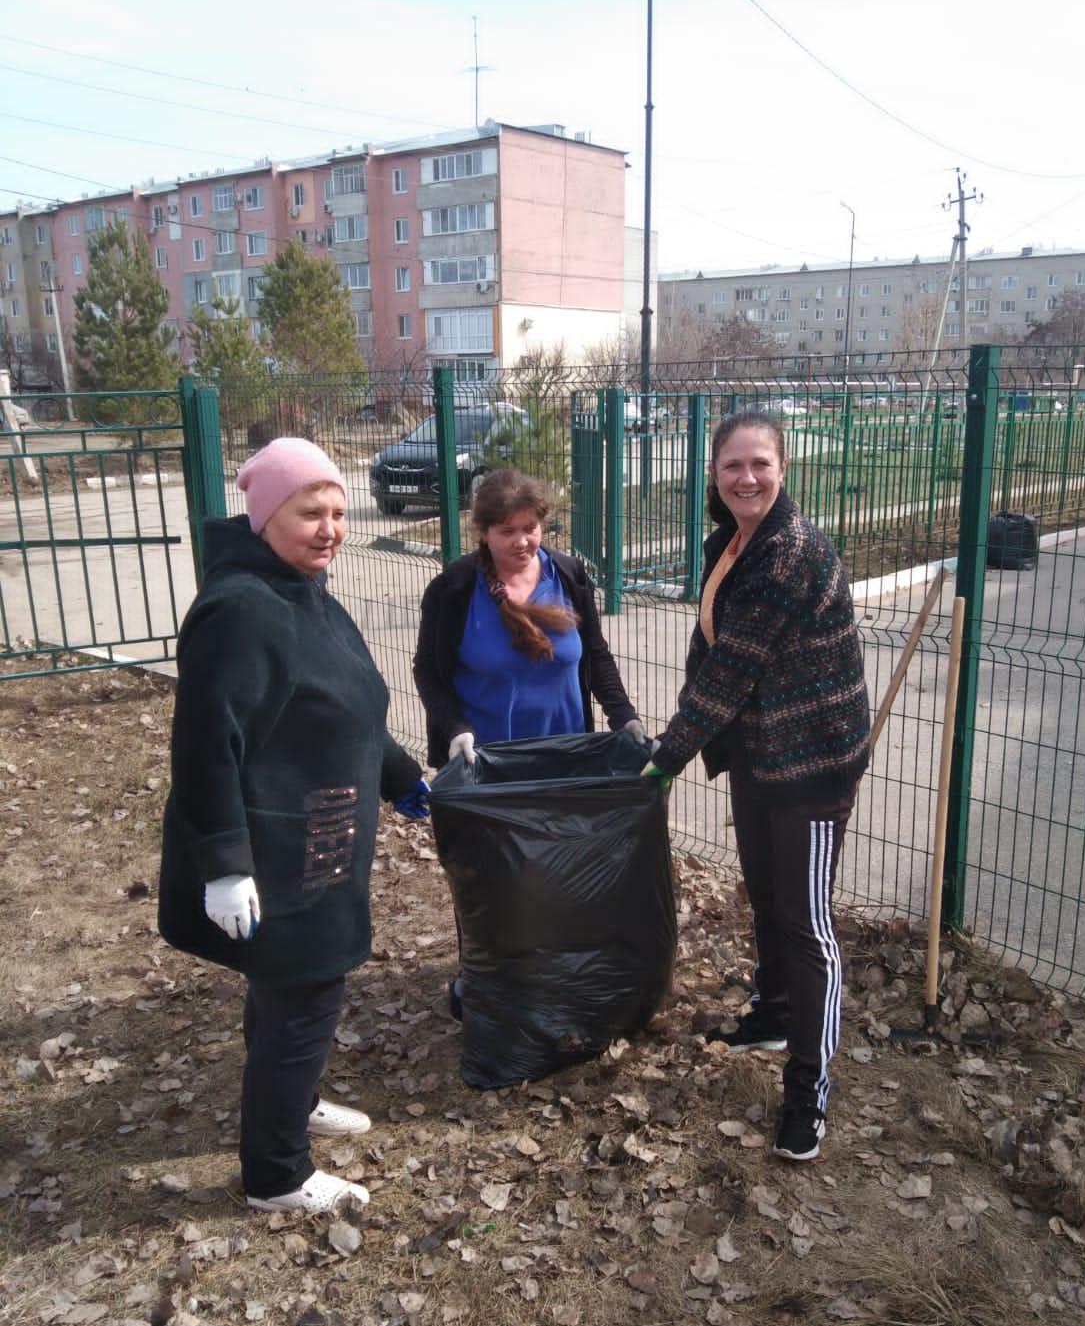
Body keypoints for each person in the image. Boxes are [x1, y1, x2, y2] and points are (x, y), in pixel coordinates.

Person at [158, 437, 430, 1215]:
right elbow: (208, 745)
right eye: (311, 511)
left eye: (340, 512)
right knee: (306, 994)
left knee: (285, 992)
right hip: (278, 850)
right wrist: (223, 863)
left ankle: (293, 1099)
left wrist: (404, 780)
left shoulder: (304, 589)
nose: (331, 528)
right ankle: (277, 1174)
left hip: (321, 837)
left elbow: (345, 705)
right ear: (265, 514)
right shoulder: (238, 612)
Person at [643, 411, 870, 1163]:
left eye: (759, 465)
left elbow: (729, 672)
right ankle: (774, 1014)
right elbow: (708, 657)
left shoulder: (789, 554)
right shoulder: (733, 543)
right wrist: (682, 740)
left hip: (809, 765)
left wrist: (665, 758)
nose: (745, 478)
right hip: (759, 754)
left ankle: (810, 1085)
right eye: (732, 465)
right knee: (766, 896)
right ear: (714, 472)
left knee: (807, 923)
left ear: (784, 468)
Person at [413, 467, 646, 1016]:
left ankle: (553, 977)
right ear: (483, 533)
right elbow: (429, 671)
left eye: (531, 528)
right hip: (490, 768)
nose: (521, 542)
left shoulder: (567, 575)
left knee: (559, 873)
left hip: (565, 761)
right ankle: (486, 979)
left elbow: (595, 656)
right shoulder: (453, 590)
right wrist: (454, 729)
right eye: (506, 531)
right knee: (494, 881)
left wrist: (624, 717)